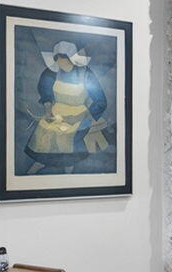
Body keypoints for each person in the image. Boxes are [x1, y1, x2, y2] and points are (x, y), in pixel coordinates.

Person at [25, 39, 109, 173]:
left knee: (67, 135)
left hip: (80, 113)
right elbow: (45, 91)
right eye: (58, 61)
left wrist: (79, 117)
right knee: (44, 129)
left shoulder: (86, 74)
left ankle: (68, 168)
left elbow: (100, 101)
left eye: (64, 61)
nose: (60, 65)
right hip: (56, 111)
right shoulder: (52, 72)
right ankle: (40, 161)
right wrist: (48, 110)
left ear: (71, 59)